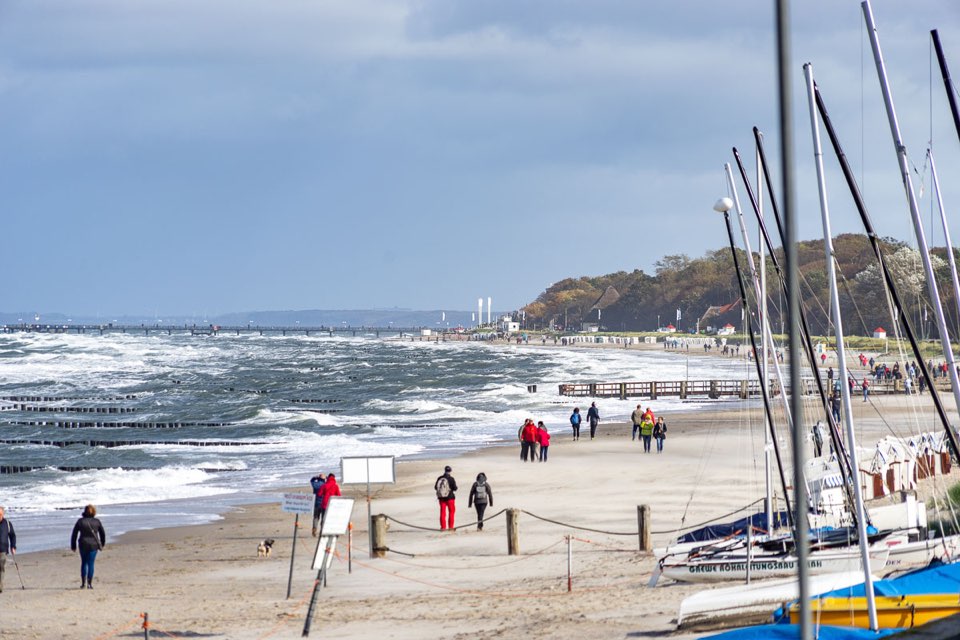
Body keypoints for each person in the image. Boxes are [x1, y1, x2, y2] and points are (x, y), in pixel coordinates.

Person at [70, 504, 106, 589]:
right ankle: (89, 584)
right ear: (94, 511)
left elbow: (74, 534)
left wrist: (73, 545)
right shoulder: (97, 521)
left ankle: (83, 584)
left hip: (83, 544)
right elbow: (102, 533)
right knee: (91, 563)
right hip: (93, 545)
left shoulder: (80, 521)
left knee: (84, 563)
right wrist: (102, 543)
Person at [434, 465, 458, 530]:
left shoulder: (439, 478)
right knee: (451, 512)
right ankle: (450, 527)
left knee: (442, 513)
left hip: (441, 498)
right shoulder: (451, 479)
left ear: (444, 470)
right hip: (450, 498)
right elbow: (455, 488)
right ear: (450, 471)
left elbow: (435, 487)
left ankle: (443, 527)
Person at [0, 506, 15, 593]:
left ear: (3, 514)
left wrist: (13, 546)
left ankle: (0, 587)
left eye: (0, 514)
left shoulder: (8, 524)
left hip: (3, 550)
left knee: (1, 568)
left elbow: (12, 536)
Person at [310, 472, 326, 537]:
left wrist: (314, 477)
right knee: (323, 518)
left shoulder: (315, 484)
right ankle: (322, 530)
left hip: (316, 503)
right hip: (323, 503)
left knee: (316, 517)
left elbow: (311, 481)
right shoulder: (325, 485)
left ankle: (314, 529)